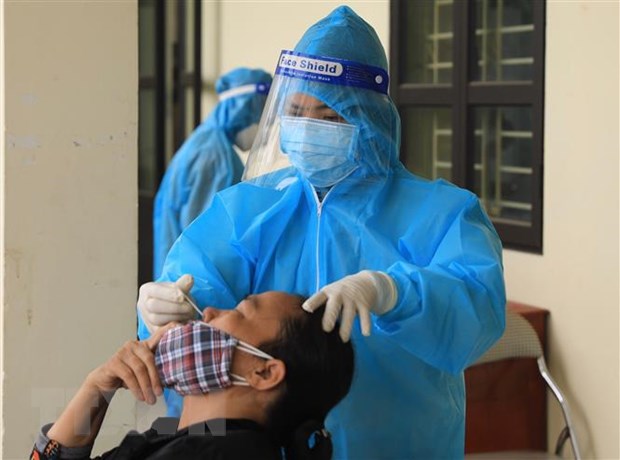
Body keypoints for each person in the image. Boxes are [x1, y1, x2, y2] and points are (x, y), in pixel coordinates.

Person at [138, 6, 506, 459]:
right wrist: (166, 312)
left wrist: (393, 291)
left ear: (369, 118)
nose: (308, 128)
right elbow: (203, 298)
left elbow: (478, 311)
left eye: (329, 117)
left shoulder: (442, 213)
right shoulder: (248, 210)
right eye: (296, 112)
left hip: (399, 444)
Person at [30, 292, 354, 460]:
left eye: (240, 312)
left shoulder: (220, 454)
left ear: (264, 371)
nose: (209, 313)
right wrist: (97, 388)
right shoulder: (183, 435)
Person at [153, 67, 272, 279]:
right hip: (195, 279)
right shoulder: (214, 156)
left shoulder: (208, 142)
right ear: (244, 108)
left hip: (185, 273)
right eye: (263, 116)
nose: (266, 127)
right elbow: (206, 235)